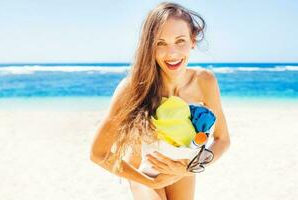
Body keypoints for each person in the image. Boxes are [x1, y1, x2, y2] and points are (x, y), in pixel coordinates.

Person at [90, 2, 230, 200]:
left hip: (183, 168)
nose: (172, 53)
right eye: (160, 43)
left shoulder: (204, 81)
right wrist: (150, 182)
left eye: (180, 40)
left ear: (193, 41)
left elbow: (223, 139)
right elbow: (98, 152)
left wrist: (189, 169)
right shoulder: (133, 88)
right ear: (149, 46)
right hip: (144, 172)